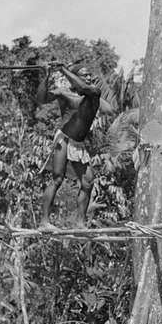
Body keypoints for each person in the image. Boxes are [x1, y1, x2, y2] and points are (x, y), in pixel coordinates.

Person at [37, 62, 108, 230]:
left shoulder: (94, 92)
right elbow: (41, 99)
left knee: (88, 183)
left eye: (90, 75)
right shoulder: (64, 94)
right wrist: (47, 76)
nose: (90, 77)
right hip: (64, 139)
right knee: (57, 178)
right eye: (85, 75)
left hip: (79, 144)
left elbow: (82, 87)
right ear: (75, 77)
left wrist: (62, 69)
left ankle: (80, 223)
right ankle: (44, 222)